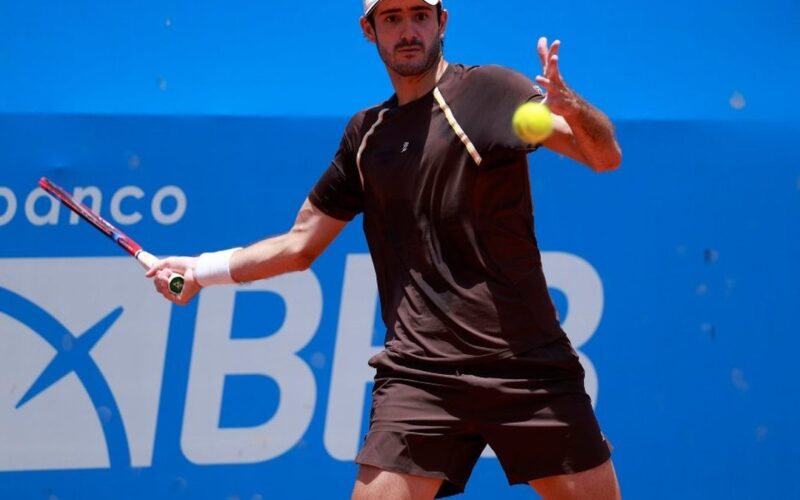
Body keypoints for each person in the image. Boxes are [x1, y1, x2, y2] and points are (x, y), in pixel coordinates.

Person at [149, 0, 623, 498]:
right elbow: (299, 245)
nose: (408, 30)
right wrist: (202, 270)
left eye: (420, 15)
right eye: (391, 18)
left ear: (442, 21)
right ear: (368, 30)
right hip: (421, 376)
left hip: (526, 364)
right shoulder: (365, 136)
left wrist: (573, 108)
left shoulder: (491, 91)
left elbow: (602, 155)